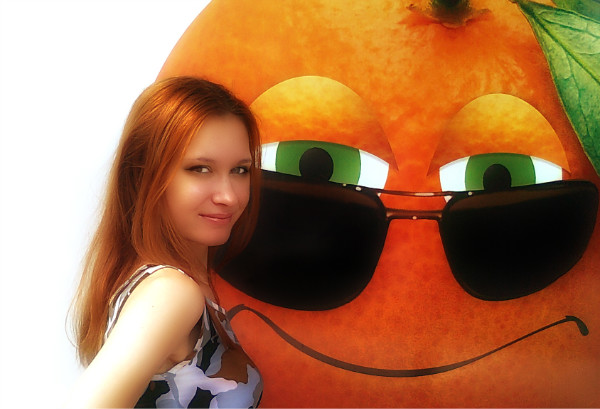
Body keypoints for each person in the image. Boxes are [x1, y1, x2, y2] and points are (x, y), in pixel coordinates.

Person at [66, 77, 263, 408]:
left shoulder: (165, 281)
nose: (229, 196)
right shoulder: (171, 292)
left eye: (240, 170)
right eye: (200, 169)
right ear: (144, 174)